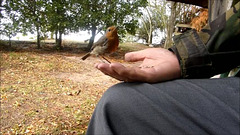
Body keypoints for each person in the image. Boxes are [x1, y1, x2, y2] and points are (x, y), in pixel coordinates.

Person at [86, 1, 240, 135]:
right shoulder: (104, 39)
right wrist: (181, 56)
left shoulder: (113, 37)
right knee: (114, 101)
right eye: (110, 29)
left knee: (116, 103)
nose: (112, 31)